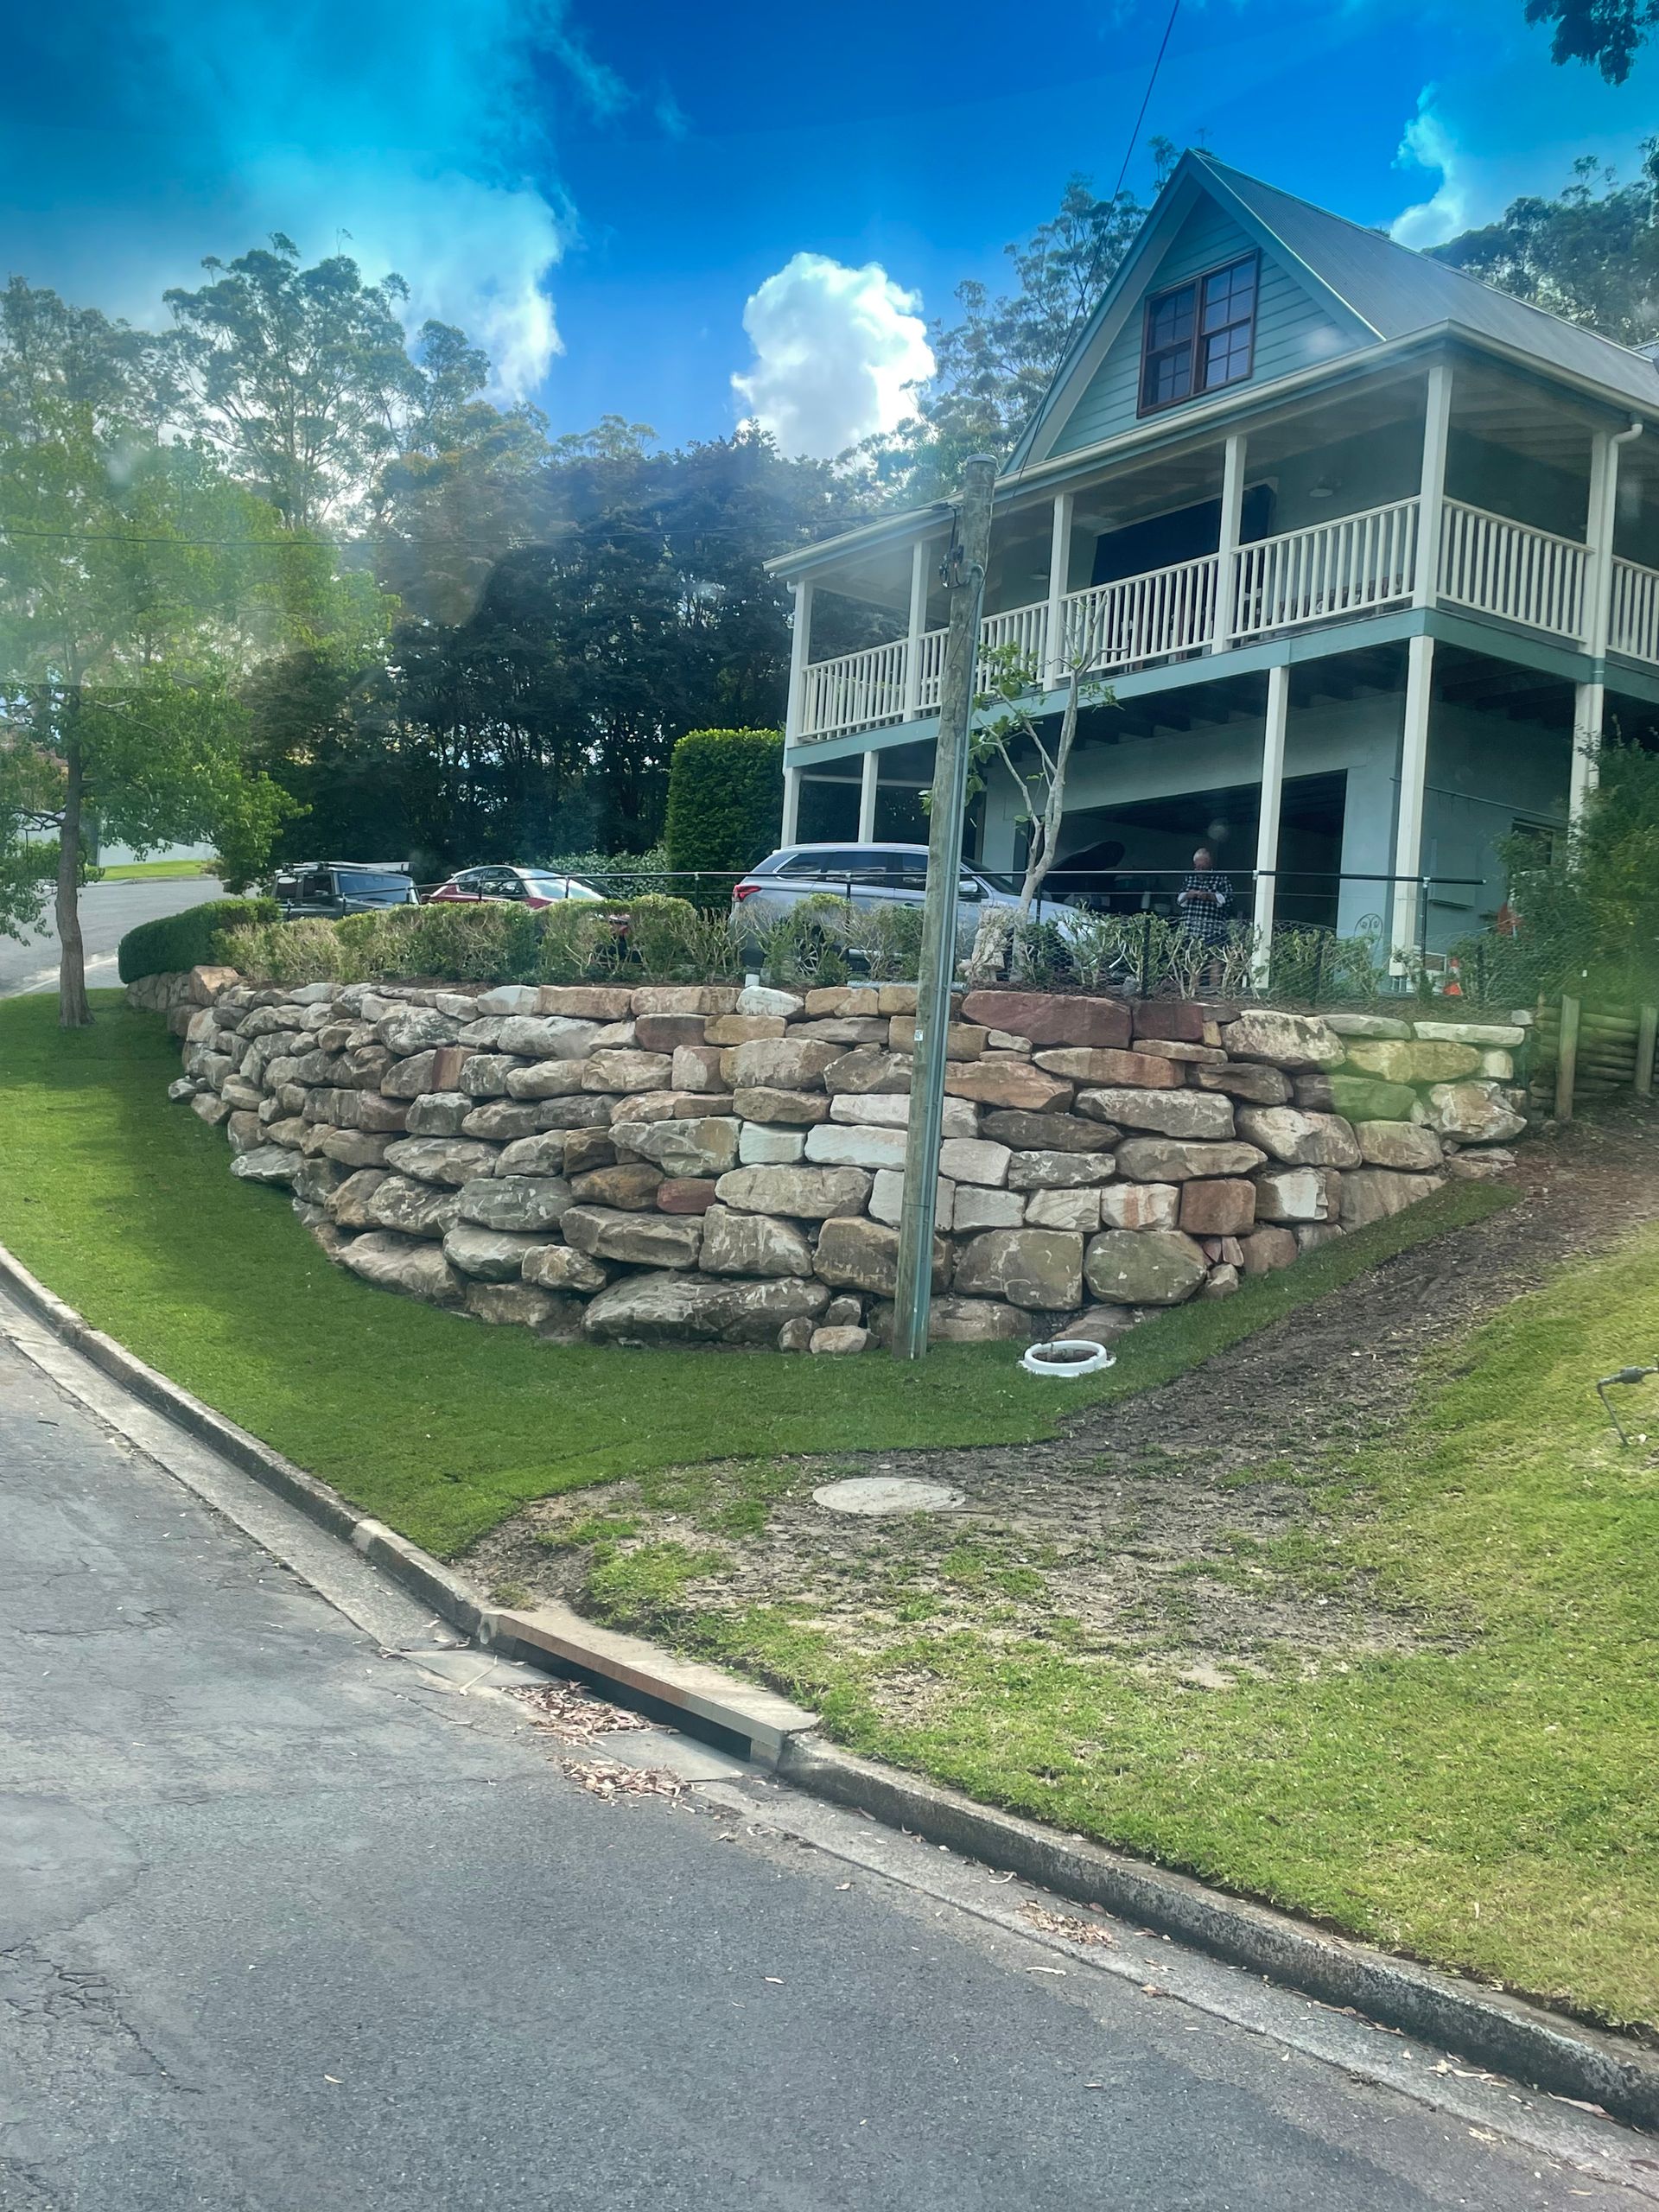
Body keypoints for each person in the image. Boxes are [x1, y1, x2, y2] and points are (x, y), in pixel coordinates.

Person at [1176, 847, 1232, 951]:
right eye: (1197, 867)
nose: (1199, 870)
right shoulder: (1189, 877)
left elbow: (1229, 900)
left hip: (1211, 930)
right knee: (1185, 959)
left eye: (1203, 867)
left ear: (1210, 864)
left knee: (1211, 961)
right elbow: (1179, 899)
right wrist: (1188, 895)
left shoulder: (1221, 878)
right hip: (1189, 929)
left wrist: (1210, 896)